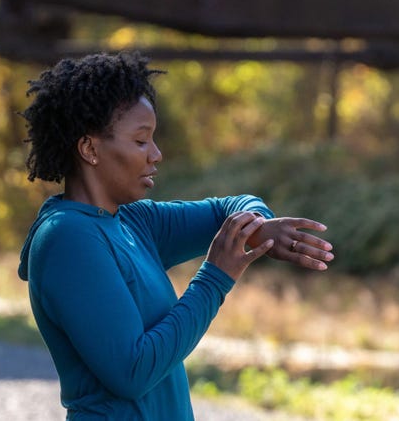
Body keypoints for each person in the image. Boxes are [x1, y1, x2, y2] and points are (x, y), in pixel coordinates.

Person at [18, 51, 334, 421]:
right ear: (89, 148)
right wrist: (216, 277)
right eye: (140, 141)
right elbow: (132, 373)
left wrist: (258, 226)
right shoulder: (67, 238)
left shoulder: (133, 222)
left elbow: (229, 206)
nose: (156, 154)